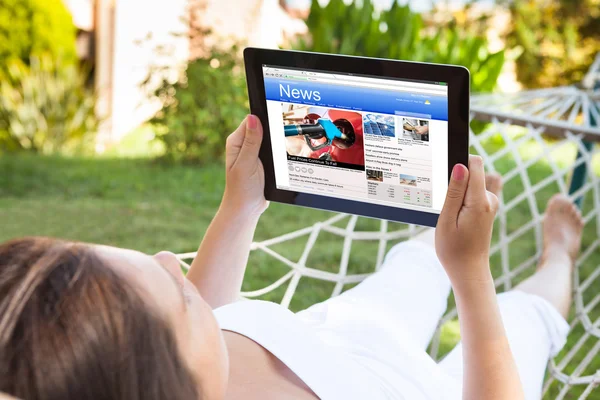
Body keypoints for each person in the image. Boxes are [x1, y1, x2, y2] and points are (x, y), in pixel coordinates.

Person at [0, 115, 583, 400]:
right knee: (521, 322)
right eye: (175, 292)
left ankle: (440, 248)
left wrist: (241, 204)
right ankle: (557, 259)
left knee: (413, 265)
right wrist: (471, 276)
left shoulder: (179, 365)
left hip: (334, 339)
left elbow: (207, 315)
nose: (167, 259)